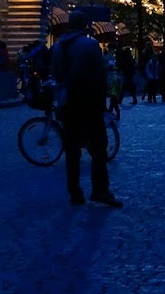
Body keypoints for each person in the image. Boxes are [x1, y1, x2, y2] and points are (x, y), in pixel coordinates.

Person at [52, 13, 122, 207]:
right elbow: (99, 76)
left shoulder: (58, 46)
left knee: (72, 150)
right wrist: (103, 103)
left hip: (67, 104)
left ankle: (75, 193)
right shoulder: (90, 45)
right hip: (89, 103)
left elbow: (57, 75)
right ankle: (100, 191)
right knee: (99, 149)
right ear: (84, 25)